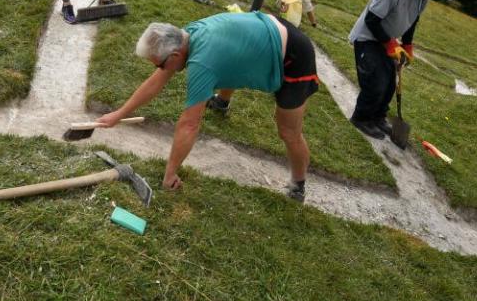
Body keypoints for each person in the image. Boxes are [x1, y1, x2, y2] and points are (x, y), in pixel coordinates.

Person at [95, 11, 320, 202]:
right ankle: (222, 101)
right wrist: (120, 113)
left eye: (161, 64)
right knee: (229, 61)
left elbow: (189, 124)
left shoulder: (202, 62)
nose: (161, 69)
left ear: (174, 55)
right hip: (269, 30)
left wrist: (170, 173)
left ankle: (297, 185)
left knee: (289, 132)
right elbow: (157, 80)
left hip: (294, 56)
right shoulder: (185, 36)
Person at [347, 0, 458, 141]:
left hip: (388, 40)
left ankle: (377, 116)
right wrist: (390, 44)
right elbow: (372, 20)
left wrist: (407, 45)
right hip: (368, 38)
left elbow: (412, 21)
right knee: (376, 83)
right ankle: (361, 118)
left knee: (390, 84)